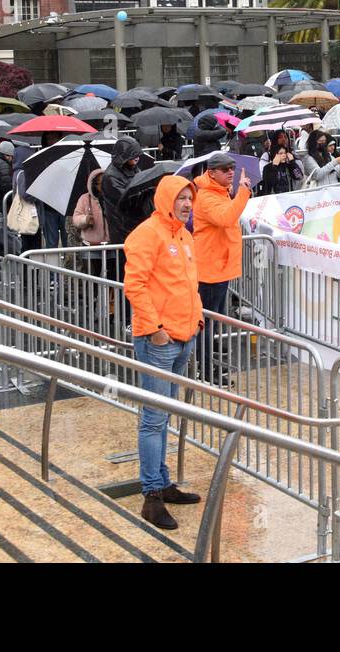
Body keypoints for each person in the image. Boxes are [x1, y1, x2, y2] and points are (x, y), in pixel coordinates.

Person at [123, 174, 205, 530]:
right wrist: (155, 330)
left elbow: (188, 282)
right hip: (159, 340)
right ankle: (152, 496)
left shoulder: (184, 235)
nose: (187, 204)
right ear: (165, 199)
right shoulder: (146, 234)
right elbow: (135, 286)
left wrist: (197, 317)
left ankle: (163, 481)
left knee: (166, 414)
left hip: (183, 336)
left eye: (190, 198)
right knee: (154, 418)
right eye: (181, 198)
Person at [191, 153, 252, 385]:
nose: (230, 172)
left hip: (219, 267)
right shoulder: (207, 196)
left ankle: (208, 369)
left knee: (211, 322)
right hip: (209, 270)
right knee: (206, 323)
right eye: (225, 169)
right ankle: (205, 371)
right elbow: (225, 218)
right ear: (212, 172)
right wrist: (243, 192)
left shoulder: (219, 192)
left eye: (232, 168)